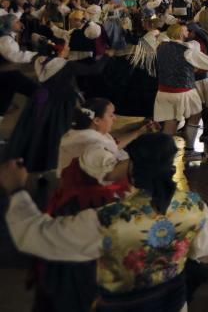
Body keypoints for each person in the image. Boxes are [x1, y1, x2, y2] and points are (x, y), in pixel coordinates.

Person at [1, 132, 208, 312]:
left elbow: (38, 235)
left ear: (132, 166)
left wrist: (17, 190)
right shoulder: (194, 207)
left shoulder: (110, 219)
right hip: (173, 303)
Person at [35, 100, 154, 312]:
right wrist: (153, 155)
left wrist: (138, 133)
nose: (114, 118)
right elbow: (113, 171)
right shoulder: (93, 149)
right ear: (97, 121)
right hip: (86, 207)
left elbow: (113, 144)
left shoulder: (82, 136)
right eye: (111, 115)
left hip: (67, 205)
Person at [4, 38, 106, 174]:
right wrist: (107, 57)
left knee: (37, 129)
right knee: (55, 133)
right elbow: (94, 70)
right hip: (60, 104)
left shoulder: (40, 61)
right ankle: (51, 163)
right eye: (67, 47)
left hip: (40, 99)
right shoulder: (66, 65)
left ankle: (31, 159)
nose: (68, 49)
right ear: (61, 50)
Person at [154, 23, 208, 160]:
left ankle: (163, 155)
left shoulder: (161, 47)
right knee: (195, 115)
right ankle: (189, 151)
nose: (187, 32)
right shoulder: (187, 50)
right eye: (185, 30)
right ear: (180, 33)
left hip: (163, 91)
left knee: (170, 122)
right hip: (183, 90)